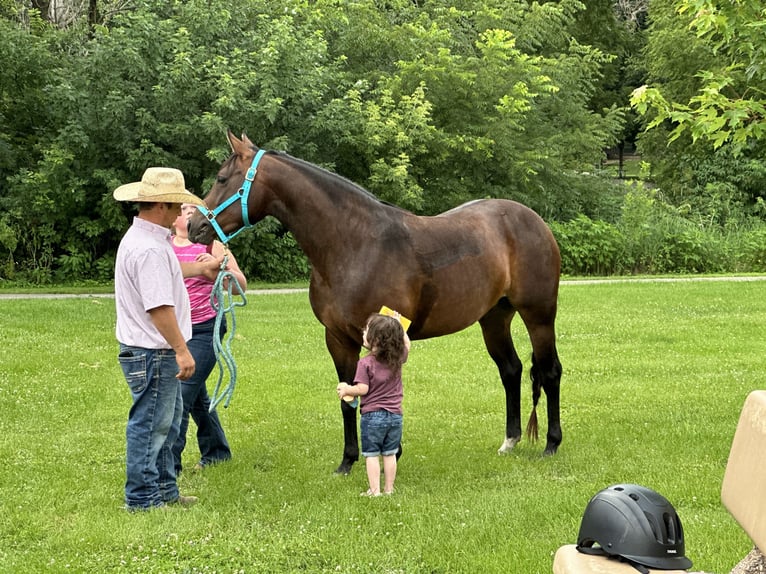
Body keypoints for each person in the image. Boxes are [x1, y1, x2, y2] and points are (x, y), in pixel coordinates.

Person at [113, 167, 222, 511]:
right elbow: (159, 307)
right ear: (160, 205)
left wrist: (200, 269)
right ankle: (142, 499)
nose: (180, 214)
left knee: (168, 423)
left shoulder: (148, 241)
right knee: (150, 426)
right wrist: (182, 350)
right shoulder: (148, 249)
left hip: (151, 352)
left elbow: (168, 269)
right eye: (176, 206)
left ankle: (165, 491)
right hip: (154, 352)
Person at [170, 203, 247, 474]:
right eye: (182, 208)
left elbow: (240, 285)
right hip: (174, 332)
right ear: (171, 217)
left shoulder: (212, 245)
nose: (189, 210)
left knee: (180, 394)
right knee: (196, 395)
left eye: (194, 207)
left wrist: (217, 270)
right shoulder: (164, 246)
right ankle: (216, 452)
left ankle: (169, 467)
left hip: (205, 330)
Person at [337, 313, 410, 496]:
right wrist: (400, 326)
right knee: (390, 454)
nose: (363, 333)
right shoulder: (397, 358)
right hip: (395, 416)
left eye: (366, 331)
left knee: (372, 455)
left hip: (372, 417)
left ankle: (375, 490)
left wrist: (346, 389)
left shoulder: (365, 363)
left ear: (375, 340)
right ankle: (389, 489)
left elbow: (362, 389)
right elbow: (407, 344)